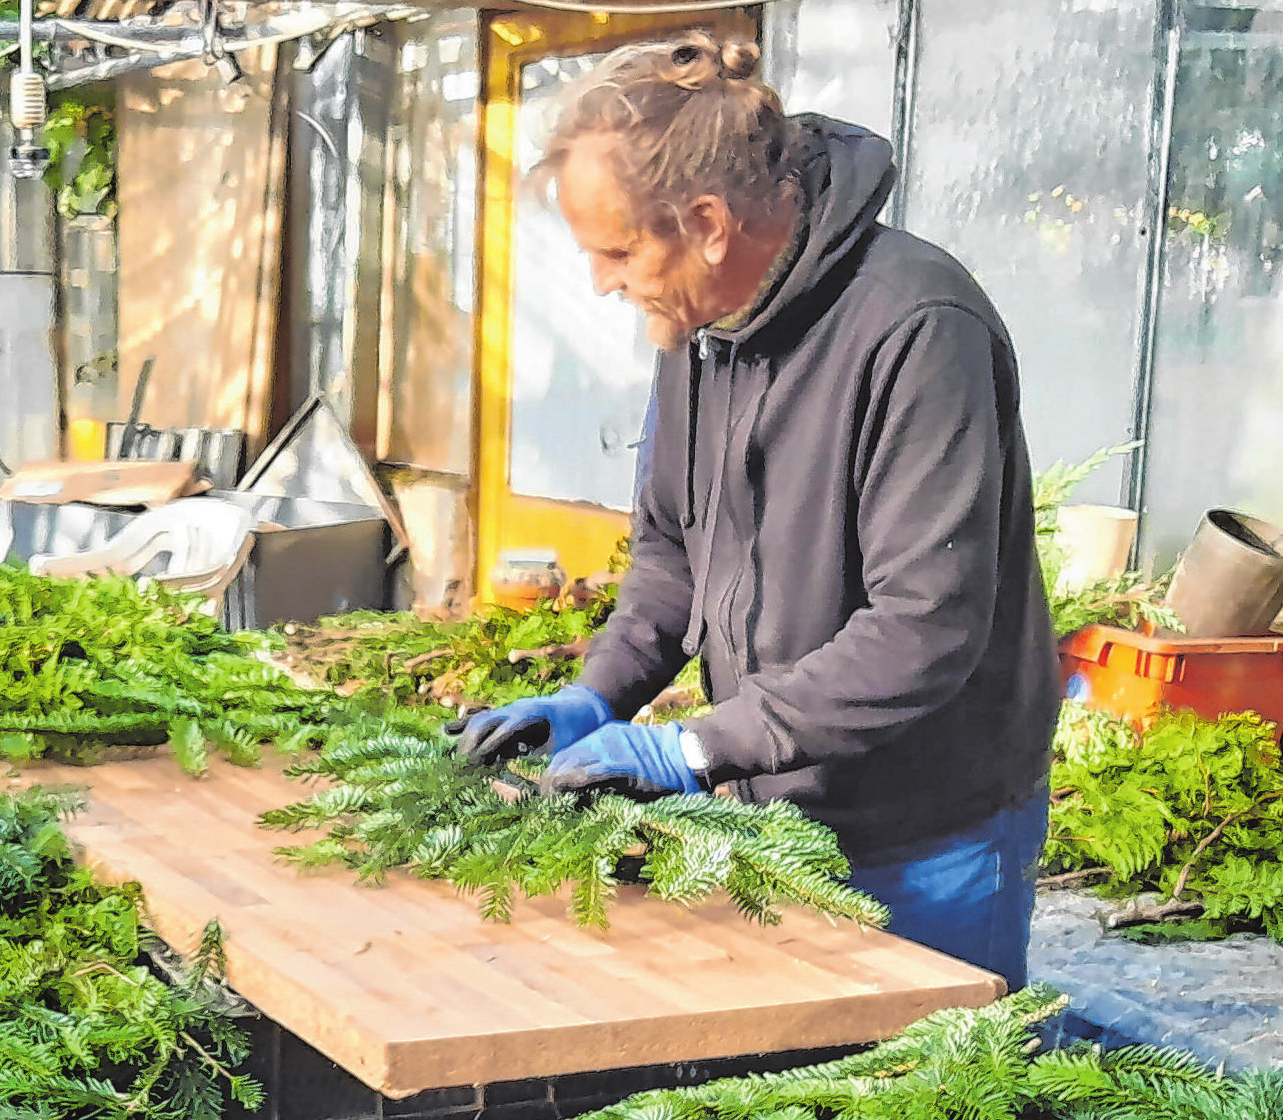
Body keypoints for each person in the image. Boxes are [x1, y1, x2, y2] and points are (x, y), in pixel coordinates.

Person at [452, 33, 1060, 992]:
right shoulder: (699, 326)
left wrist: (692, 744)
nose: (602, 280)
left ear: (705, 221)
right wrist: (597, 695)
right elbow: (671, 548)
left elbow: (923, 630)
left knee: (930, 1119)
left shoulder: (917, 327)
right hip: (773, 817)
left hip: (927, 831)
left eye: (615, 250)